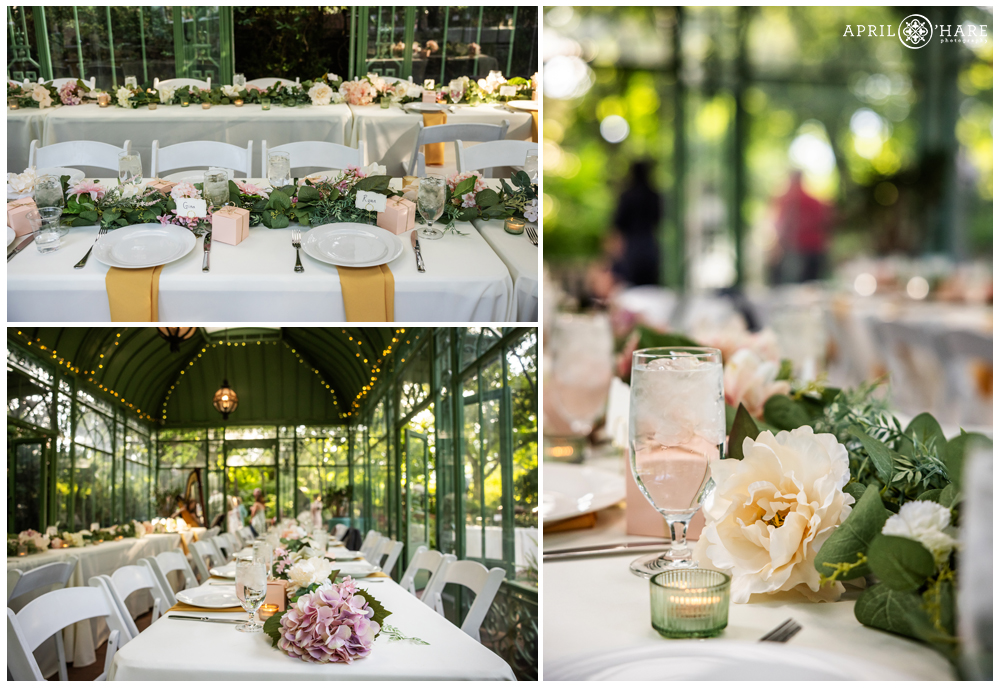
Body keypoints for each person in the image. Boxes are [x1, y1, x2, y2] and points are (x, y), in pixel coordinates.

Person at [770, 170, 832, 283]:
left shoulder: (786, 200)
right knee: (812, 286)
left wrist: (777, 246)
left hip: (796, 250)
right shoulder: (815, 201)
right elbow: (826, 223)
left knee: (793, 287)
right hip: (815, 248)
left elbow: (782, 225)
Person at [610, 160, 663, 287]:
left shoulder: (627, 196)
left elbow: (618, 225)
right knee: (650, 286)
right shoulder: (654, 195)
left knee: (631, 286)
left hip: (632, 248)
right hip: (650, 246)